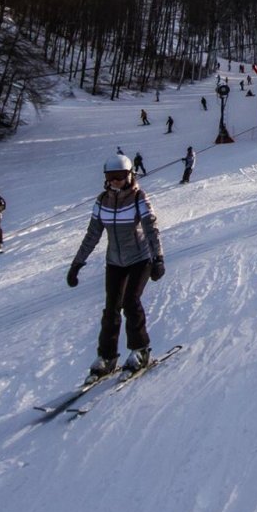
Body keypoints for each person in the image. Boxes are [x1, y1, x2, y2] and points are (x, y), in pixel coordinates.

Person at [66, 154, 165, 376]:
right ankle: (107, 357)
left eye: (120, 176)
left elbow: (151, 228)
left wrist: (158, 258)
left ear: (130, 175)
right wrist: (77, 263)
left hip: (140, 258)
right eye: (111, 176)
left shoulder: (139, 197)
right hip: (115, 261)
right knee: (111, 308)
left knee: (131, 301)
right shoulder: (102, 201)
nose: (115, 181)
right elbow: (92, 235)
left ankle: (140, 350)